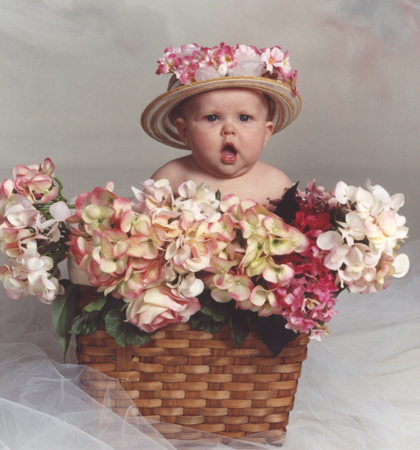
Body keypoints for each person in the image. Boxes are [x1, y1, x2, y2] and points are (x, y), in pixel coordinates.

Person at [141, 43, 302, 208]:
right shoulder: (170, 180)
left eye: (245, 118)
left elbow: (297, 231)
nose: (229, 130)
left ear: (266, 134)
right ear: (185, 131)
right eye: (212, 118)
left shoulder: (277, 185)